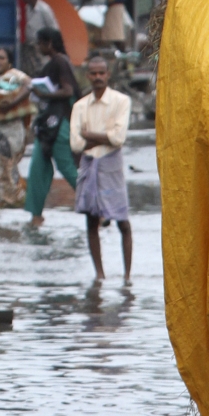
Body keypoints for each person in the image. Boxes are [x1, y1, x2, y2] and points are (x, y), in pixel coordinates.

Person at [69, 55, 132, 282]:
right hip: (89, 164)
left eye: (101, 73)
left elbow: (119, 138)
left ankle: (127, 276)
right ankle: (100, 275)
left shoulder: (121, 101)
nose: (98, 77)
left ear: (108, 74)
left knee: (122, 220)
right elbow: (75, 144)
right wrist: (104, 138)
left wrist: (89, 135)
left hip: (111, 163)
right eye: (93, 73)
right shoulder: (80, 106)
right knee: (90, 219)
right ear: (88, 76)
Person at [25, 27, 78, 227]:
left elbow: (68, 91)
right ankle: (35, 216)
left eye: (40, 43)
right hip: (47, 124)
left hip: (60, 123)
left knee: (67, 167)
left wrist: (44, 94)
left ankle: (97, 209)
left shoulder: (60, 62)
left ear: (49, 43)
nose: (38, 47)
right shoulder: (53, 63)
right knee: (37, 168)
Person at [0, 46, 34, 220]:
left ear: (10, 62)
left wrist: (11, 103)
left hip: (7, 136)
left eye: (1, 58)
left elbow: (30, 84)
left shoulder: (14, 75)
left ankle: (19, 195)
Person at [21, 0, 57, 75]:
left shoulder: (44, 9)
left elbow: (53, 27)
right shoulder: (27, 8)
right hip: (30, 43)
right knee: (30, 68)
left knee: (41, 67)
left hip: (40, 44)